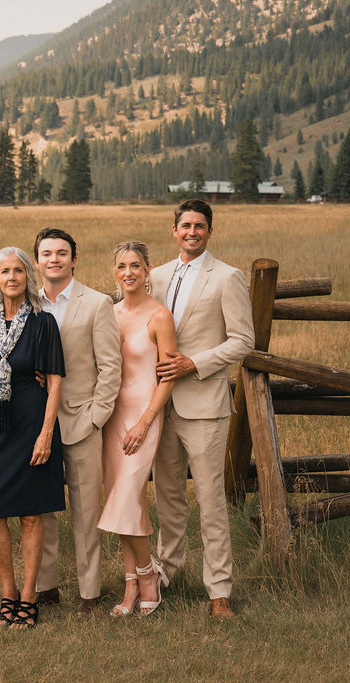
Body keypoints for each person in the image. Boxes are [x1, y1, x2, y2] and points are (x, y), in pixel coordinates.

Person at [150, 199, 253, 619]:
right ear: (174, 230)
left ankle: (219, 591)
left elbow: (243, 340)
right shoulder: (154, 276)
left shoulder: (228, 277)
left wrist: (196, 362)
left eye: (199, 226)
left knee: (211, 500)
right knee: (168, 497)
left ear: (210, 231)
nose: (191, 232)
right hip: (159, 405)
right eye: (185, 225)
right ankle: (166, 574)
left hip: (204, 404)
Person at [33, 227, 122, 619]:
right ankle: (45, 585)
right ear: (36, 261)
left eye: (62, 253)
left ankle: (90, 591)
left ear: (74, 259)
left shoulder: (97, 303)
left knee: (87, 511)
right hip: (35, 424)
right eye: (47, 253)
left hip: (82, 420)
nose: (54, 259)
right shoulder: (27, 303)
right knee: (42, 506)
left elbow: (111, 368)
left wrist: (95, 417)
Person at [0, 247, 65, 629]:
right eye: (4, 272)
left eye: (17, 271)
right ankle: (7, 593)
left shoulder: (44, 323)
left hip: (33, 422)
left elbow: (57, 380)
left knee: (31, 514)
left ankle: (29, 597)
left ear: (28, 276)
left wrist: (46, 433)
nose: (11, 278)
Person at [97, 242, 177, 617]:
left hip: (144, 416)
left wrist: (145, 421)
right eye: (122, 266)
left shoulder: (160, 316)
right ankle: (132, 584)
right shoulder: (108, 314)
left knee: (128, 497)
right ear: (115, 272)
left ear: (148, 270)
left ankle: (148, 576)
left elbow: (167, 377)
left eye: (136, 266)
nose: (128, 272)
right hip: (112, 419)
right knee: (124, 501)